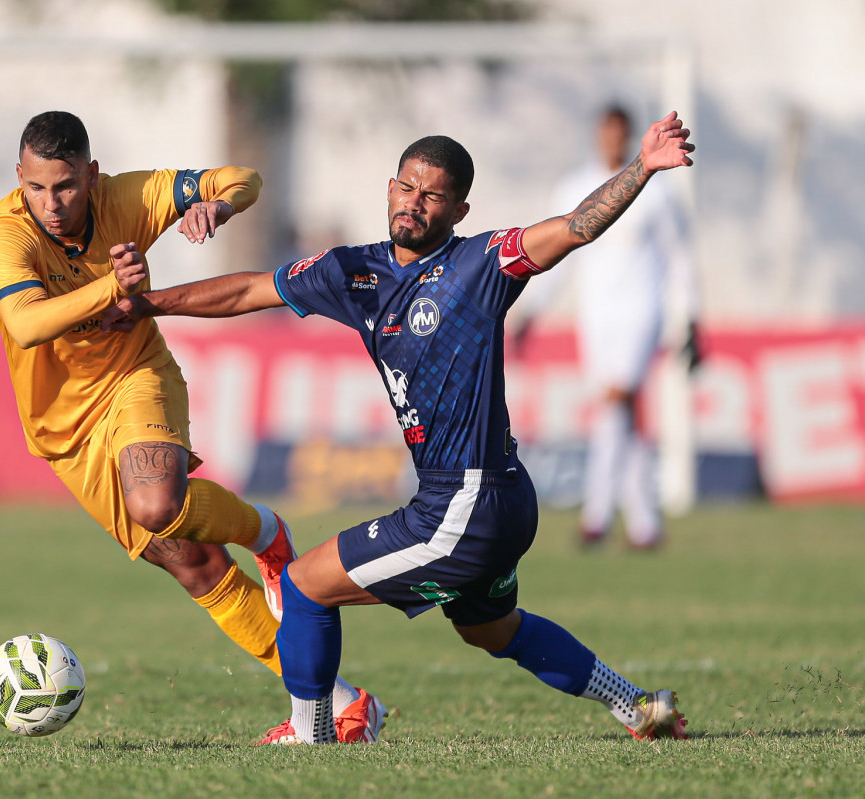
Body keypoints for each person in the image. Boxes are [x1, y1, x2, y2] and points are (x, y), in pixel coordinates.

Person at [103, 112, 696, 744]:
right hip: (488, 499)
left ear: (458, 210)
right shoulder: (355, 273)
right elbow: (249, 291)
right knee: (492, 629)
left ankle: (314, 735)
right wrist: (149, 302)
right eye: (407, 188)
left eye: (433, 195)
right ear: (390, 188)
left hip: (468, 501)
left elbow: (575, 228)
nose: (414, 204)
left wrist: (643, 167)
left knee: (304, 588)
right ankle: (637, 706)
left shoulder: (483, 264)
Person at [0, 111, 384, 742]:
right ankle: (340, 703)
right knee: (192, 562)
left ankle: (268, 534)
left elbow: (242, 177)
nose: (51, 204)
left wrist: (218, 207)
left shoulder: (128, 196)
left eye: (64, 186)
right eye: (36, 188)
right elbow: (27, 325)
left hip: (136, 376)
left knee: (155, 503)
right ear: (19, 179)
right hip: (63, 429)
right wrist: (113, 287)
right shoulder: (6, 233)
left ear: (90, 175)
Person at [518, 105, 701, 549]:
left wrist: (690, 315)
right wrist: (532, 307)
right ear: (598, 135)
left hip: (642, 311)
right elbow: (555, 254)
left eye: (619, 133)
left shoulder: (657, 191)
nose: (611, 140)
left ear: (628, 136)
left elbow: (681, 257)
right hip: (597, 314)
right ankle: (644, 524)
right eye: (606, 132)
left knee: (616, 400)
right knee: (620, 412)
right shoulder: (577, 187)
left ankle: (596, 514)